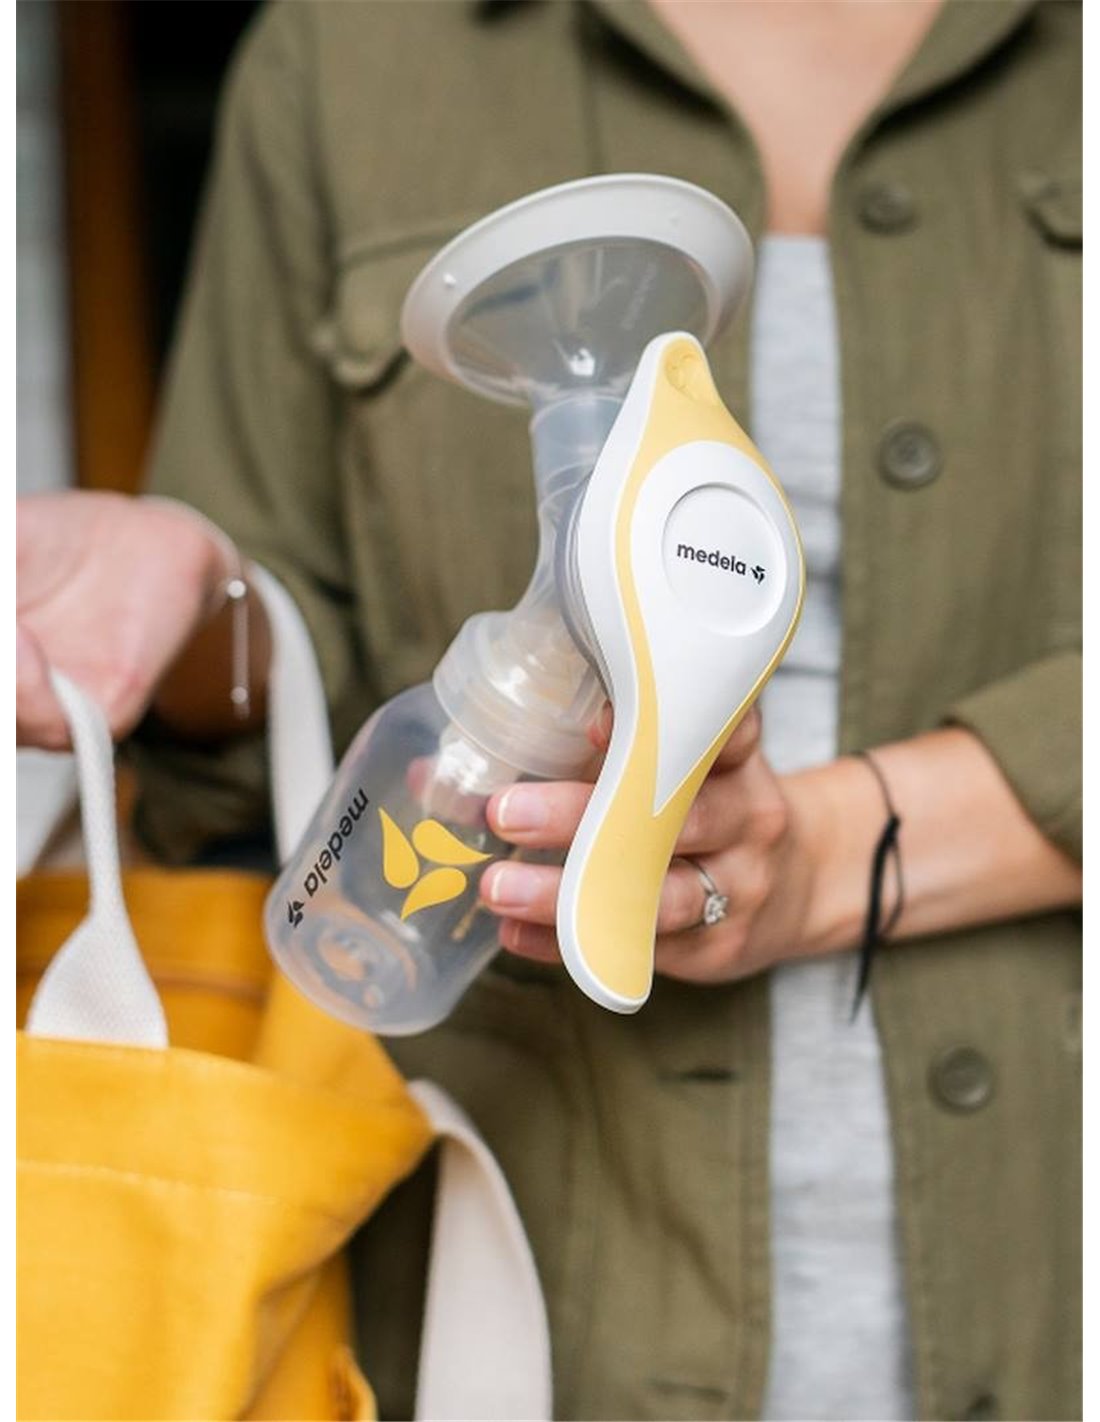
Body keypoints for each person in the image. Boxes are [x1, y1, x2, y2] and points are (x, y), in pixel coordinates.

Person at [17, 2, 1081, 1418]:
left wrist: (823, 855)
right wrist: (207, 606)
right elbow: (252, 739)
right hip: (508, 1298)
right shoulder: (353, 51)